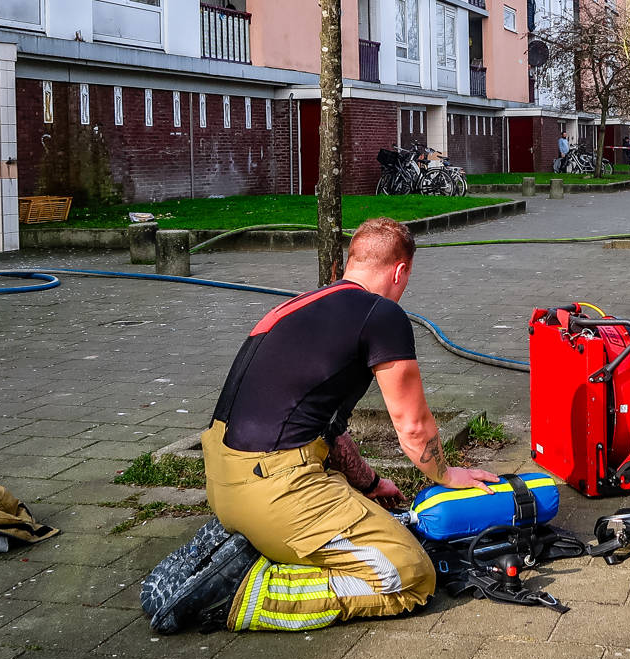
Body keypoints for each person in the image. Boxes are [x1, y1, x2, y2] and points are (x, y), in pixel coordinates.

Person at [201, 217, 500, 629]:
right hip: (275, 493)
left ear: (351, 260)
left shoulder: (298, 306)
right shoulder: (382, 315)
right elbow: (413, 427)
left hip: (224, 485)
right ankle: (244, 593)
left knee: (366, 517)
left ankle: (249, 547)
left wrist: (370, 483)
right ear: (400, 271)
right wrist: (446, 474)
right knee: (411, 574)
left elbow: (322, 427)